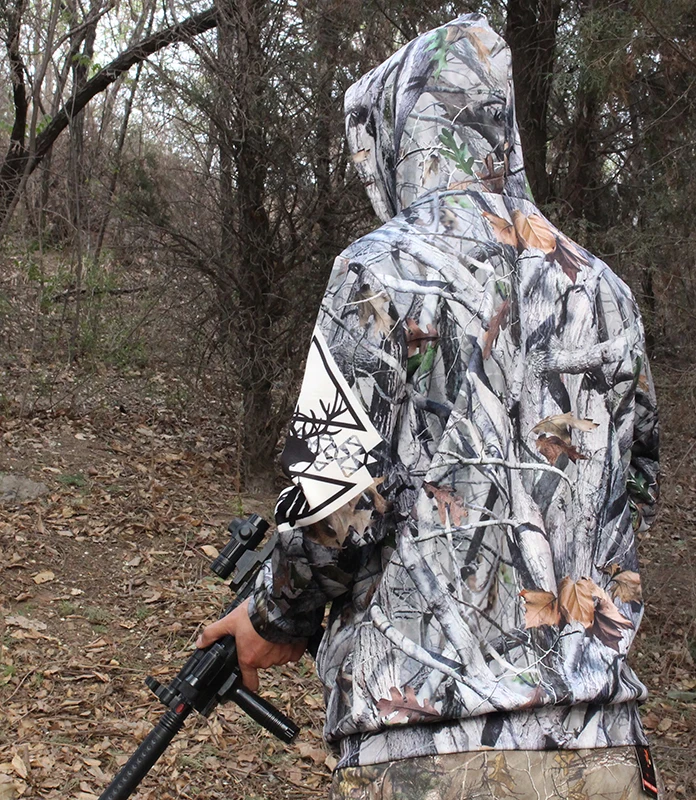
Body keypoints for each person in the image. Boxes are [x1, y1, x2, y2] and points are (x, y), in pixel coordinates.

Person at [198, 14, 661, 799]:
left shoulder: (374, 271)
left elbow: (334, 505)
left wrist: (273, 615)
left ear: (402, 133)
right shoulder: (605, 291)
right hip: (599, 750)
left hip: (427, 753)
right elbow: (635, 490)